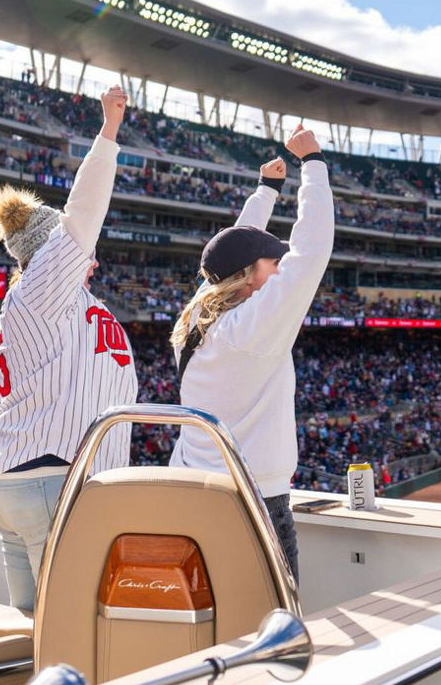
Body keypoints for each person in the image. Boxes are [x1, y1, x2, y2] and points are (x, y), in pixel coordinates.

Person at [0, 86, 134, 611]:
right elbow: (82, 217)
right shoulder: (43, 288)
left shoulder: (59, 303)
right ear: (47, 254)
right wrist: (108, 133)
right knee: (69, 625)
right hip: (49, 477)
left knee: (32, 624)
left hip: (25, 475)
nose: (87, 253)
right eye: (69, 247)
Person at [170, 126, 334, 582]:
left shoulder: (196, 320)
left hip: (195, 489)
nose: (280, 268)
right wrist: (313, 164)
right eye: (272, 263)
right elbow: (312, 250)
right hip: (254, 500)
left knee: (209, 619)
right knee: (272, 626)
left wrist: (266, 191)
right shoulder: (251, 328)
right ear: (247, 276)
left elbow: (225, 253)